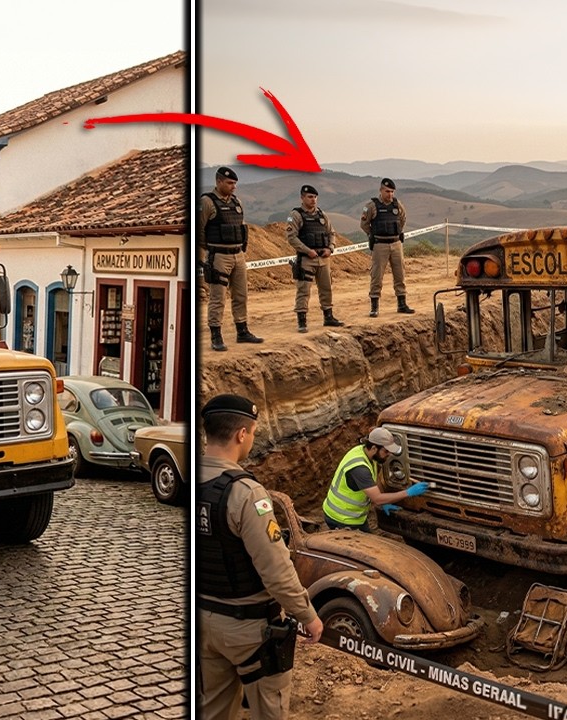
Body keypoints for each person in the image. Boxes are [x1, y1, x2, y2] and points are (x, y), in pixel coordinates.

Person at [197, 394, 321, 719]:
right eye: (252, 432)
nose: (251, 438)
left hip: (203, 620)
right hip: (248, 629)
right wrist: (307, 615)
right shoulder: (246, 494)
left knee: (214, 710)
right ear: (241, 434)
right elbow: (276, 570)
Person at [199, 166, 263, 351]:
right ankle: (216, 335)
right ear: (218, 182)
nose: (233, 186)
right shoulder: (207, 202)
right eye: (229, 183)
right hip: (218, 255)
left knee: (241, 295)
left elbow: (241, 227)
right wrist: (206, 253)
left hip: (238, 255)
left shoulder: (237, 202)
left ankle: (242, 330)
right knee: (218, 297)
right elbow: (199, 231)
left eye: (235, 183)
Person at [323, 427, 428, 531]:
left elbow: (373, 480)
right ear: (374, 448)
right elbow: (377, 498)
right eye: (386, 451)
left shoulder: (366, 453)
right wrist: (408, 492)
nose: (389, 455)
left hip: (350, 516)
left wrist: (384, 503)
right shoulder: (360, 469)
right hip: (342, 518)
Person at [286, 184, 343, 333]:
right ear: (302, 198)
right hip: (306, 259)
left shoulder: (321, 215)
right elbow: (292, 238)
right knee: (304, 290)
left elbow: (332, 233)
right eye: (310, 197)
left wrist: (330, 248)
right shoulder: (296, 215)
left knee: (326, 288)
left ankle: (328, 317)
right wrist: (307, 250)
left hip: (323, 258)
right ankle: (302, 321)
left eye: (315, 197)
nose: (313, 200)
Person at [359, 178, 413, 317]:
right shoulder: (371, 206)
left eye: (392, 192)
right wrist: (373, 234)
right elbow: (364, 224)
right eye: (387, 191)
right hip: (380, 245)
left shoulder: (397, 204)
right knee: (377, 276)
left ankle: (402, 304)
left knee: (400, 274)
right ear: (381, 190)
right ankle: (374, 306)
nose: (390, 194)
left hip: (396, 244)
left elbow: (403, 219)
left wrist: (397, 231)